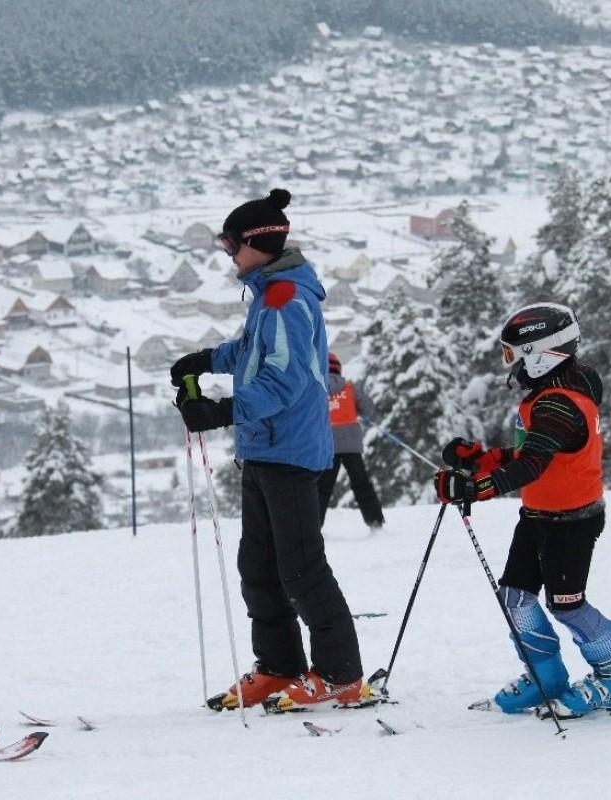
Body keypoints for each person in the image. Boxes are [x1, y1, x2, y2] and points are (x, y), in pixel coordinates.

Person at [170, 189, 364, 712]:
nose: (228, 254)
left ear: (259, 243)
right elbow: (254, 353)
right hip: (264, 449)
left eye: (232, 244)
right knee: (258, 565)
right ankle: (279, 666)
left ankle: (342, 675)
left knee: (301, 568)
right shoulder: (269, 295)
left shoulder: (284, 299)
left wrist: (220, 410)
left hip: (292, 452)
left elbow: (286, 382)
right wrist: (207, 359)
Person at [433, 302, 611, 717]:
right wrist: (480, 459)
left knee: (567, 604)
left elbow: (531, 465)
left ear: (539, 353)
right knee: (516, 597)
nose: (510, 364)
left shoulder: (557, 404)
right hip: (540, 513)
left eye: (512, 353)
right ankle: (547, 676)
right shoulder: (556, 391)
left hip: (571, 521)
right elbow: (534, 452)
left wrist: (473, 488)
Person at [318, 353, 385, 532]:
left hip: (327, 446)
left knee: (322, 488)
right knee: (361, 483)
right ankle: (375, 521)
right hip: (352, 446)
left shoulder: (316, 389)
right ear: (338, 367)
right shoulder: (349, 388)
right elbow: (369, 409)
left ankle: (314, 525)